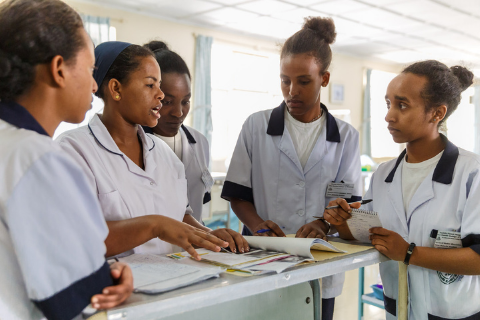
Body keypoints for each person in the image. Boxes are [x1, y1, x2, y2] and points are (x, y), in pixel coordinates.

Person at [221, 17, 362, 320]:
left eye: (303, 81)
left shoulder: (346, 137)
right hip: (262, 256)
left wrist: (323, 224)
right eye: (285, 80)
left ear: (324, 79)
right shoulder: (256, 126)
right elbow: (238, 195)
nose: (291, 91)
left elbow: (345, 202)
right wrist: (259, 226)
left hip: (319, 259)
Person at [0, 1, 133, 319]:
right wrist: (108, 279)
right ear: (59, 69)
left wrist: (106, 269)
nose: (93, 84)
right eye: (89, 70)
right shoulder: (38, 158)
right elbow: (85, 297)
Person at [57, 41, 248, 257]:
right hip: (119, 285)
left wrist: (209, 235)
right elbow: (76, 237)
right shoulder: (73, 150)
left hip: (176, 281)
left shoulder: (165, 155)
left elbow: (179, 216)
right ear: (116, 88)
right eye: (150, 85)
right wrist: (154, 225)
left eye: (159, 85)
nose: (160, 95)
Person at [325, 60, 480, 319]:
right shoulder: (384, 174)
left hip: (453, 312)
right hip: (399, 310)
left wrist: (410, 253)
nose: (389, 116)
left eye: (402, 105)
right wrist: (343, 223)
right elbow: (373, 236)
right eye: (388, 104)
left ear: (436, 114)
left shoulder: (471, 173)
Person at [142, 41, 211, 225]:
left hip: (195, 248)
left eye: (185, 101)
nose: (178, 113)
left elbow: (199, 206)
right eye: (167, 102)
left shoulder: (199, 142)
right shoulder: (135, 143)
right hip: (154, 250)